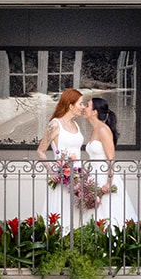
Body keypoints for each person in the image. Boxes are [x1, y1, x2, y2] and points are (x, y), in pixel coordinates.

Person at [81, 96, 136, 227]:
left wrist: (109, 181)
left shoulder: (103, 129)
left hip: (103, 175)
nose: (84, 108)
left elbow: (111, 157)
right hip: (93, 175)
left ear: (94, 112)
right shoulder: (95, 130)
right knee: (95, 211)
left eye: (87, 106)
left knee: (108, 210)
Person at [34, 88, 86, 225]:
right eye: (81, 104)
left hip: (79, 177)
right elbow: (41, 151)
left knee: (75, 216)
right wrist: (51, 171)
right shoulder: (55, 124)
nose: (83, 107)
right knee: (61, 215)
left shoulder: (76, 125)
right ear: (70, 105)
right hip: (63, 178)